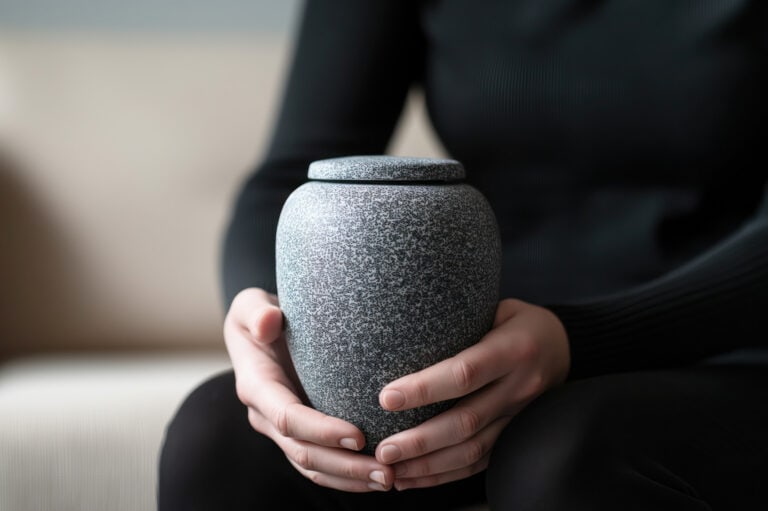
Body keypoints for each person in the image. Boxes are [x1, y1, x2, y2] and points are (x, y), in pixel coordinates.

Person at [158, 1, 768, 509]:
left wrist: (581, 341)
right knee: (218, 436)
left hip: (724, 345)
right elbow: (293, 173)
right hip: (475, 354)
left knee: (562, 454)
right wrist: (271, 330)